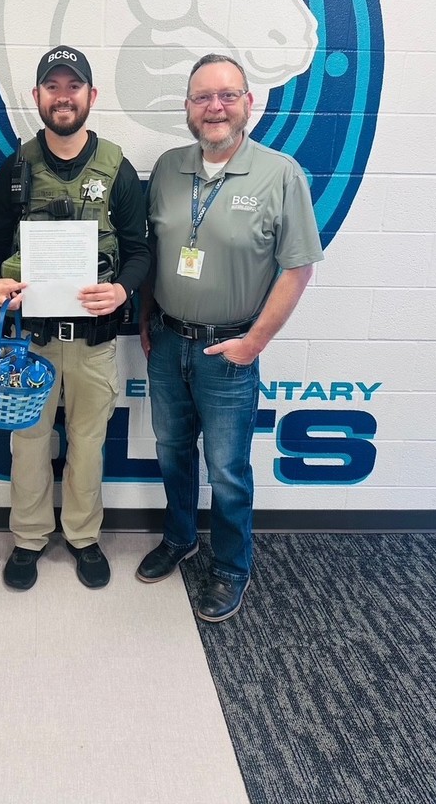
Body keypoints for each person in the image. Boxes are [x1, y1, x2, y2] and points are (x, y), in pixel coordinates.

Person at [137, 53, 323, 621]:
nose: (214, 107)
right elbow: (154, 251)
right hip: (168, 343)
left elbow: (298, 268)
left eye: (227, 95)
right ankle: (179, 537)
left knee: (227, 469)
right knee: (172, 454)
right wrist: (146, 320)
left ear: (248, 104)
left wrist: (255, 343)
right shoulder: (168, 168)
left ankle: (230, 565)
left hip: (230, 352)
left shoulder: (280, 174)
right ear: (188, 109)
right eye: (202, 98)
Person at [0, 46, 150, 590]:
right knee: (28, 442)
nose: (63, 96)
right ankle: (28, 538)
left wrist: (122, 288)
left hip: (94, 340)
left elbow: (140, 249)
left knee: (88, 442)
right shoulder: (16, 167)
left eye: (73, 86)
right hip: (31, 340)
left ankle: (82, 536)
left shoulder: (117, 169)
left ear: (91, 97)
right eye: (52, 86)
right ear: (37, 98)